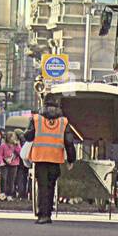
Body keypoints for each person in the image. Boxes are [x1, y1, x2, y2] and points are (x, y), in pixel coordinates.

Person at [24, 94, 78, 224]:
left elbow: (28, 136)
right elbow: (69, 142)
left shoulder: (36, 119)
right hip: (55, 158)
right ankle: (48, 214)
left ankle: (42, 215)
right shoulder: (63, 122)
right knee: (50, 186)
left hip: (40, 158)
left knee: (42, 187)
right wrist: (71, 159)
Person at [0, 130, 22, 200]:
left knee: (11, 180)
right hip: (4, 164)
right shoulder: (3, 146)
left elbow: (20, 153)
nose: (14, 139)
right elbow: (0, 155)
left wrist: (17, 145)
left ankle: (9, 194)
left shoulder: (16, 145)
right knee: (4, 178)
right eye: (12, 137)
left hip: (14, 164)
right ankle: (3, 193)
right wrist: (1, 161)